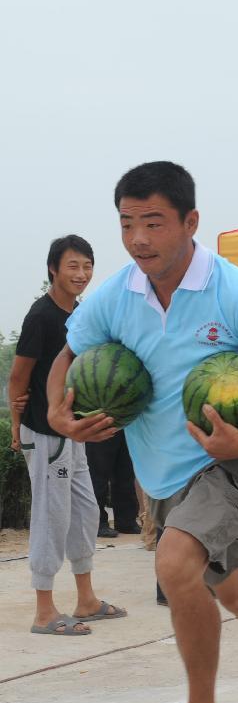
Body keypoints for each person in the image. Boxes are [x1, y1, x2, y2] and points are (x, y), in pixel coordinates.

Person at [47, 162, 238, 703]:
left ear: (190, 221)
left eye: (154, 222)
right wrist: (58, 413)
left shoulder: (236, 292)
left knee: (176, 566)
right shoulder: (117, 293)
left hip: (235, 462)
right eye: (127, 223)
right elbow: (67, 356)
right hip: (164, 472)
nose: (139, 238)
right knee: (237, 593)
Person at [8, 235, 126, 635]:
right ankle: (44, 610)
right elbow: (19, 377)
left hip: (71, 433)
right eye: (73, 266)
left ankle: (86, 599)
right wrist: (15, 428)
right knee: (51, 517)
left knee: (85, 512)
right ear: (53, 270)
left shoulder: (79, 314)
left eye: (87, 266)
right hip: (44, 433)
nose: (82, 274)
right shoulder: (41, 316)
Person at [86, 430, 141, 537]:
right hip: (100, 423)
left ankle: (126, 521)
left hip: (126, 425)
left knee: (126, 474)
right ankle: (98, 523)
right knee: (98, 476)